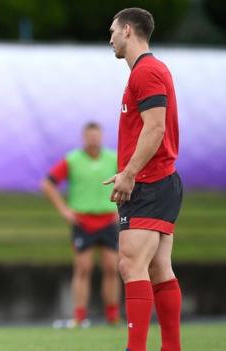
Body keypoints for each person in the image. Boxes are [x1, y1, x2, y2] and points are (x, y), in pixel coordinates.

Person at [106, 8, 183, 351]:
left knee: (129, 263)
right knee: (158, 268)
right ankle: (171, 347)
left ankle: (135, 348)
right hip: (160, 181)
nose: (109, 39)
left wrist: (129, 174)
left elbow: (154, 128)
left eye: (112, 31)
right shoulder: (150, 70)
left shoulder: (147, 71)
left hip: (149, 182)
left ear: (126, 30)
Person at [42, 122, 120, 328]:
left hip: (108, 219)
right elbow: (48, 183)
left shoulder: (114, 158)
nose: (93, 139)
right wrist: (64, 210)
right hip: (83, 220)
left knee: (112, 267)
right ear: (83, 137)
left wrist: (122, 208)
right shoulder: (73, 160)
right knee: (83, 268)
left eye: (96, 135)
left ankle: (113, 316)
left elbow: (130, 181)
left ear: (101, 136)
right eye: (89, 136)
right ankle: (79, 316)